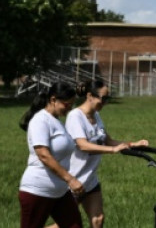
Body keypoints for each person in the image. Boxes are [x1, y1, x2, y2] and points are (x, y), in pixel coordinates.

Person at [53, 79, 149, 228]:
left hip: (90, 180)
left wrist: (132, 144)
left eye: (107, 99)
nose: (105, 102)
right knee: (65, 225)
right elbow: (83, 145)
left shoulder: (96, 116)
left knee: (98, 219)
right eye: (103, 98)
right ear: (90, 96)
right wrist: (112, 151)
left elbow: (107, 140)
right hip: (74, 180)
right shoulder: (75, 116)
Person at [18, 81, 84, 228]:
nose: (69, 109)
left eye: (72, 104)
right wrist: (70, 179)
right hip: (38, 189)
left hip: (59, 191)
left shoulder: (56, 121)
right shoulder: (40, 120)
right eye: (67, 104)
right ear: (53, 99)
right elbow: (43, 155)